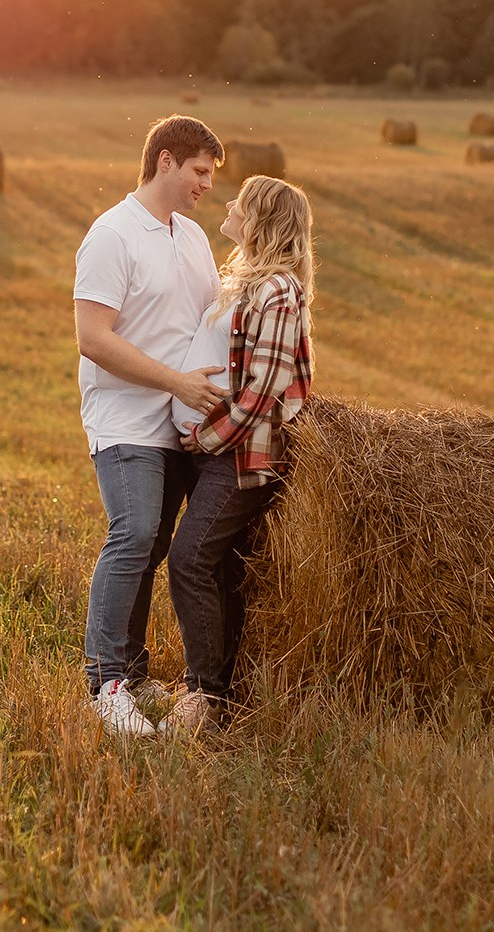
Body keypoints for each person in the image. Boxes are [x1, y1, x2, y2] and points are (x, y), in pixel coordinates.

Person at [73, 115, 228, 736]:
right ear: (166, 161)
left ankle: (134, 674)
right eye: (199, 172)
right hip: (126, 418)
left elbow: (212, 318)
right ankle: (105, 683)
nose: (206, 186)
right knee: (134, 533)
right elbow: (92, 339)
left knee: (158, 547)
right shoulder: (112, 235)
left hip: (181, 424)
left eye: (211, 176)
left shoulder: (191, 237)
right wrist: (176, 383)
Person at [165, 174, 315, 734]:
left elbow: (263, 389)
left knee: (190, 559)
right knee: (220, 566)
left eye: (241, 202)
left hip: (239, 457)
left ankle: (203, 695)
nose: (227, 203)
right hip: (213, 452)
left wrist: (204, 437)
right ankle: (221, 689)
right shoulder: (240, 279)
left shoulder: (278, 290)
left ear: (262, 219)